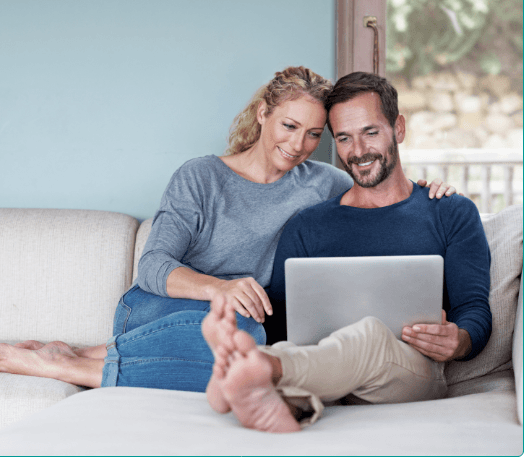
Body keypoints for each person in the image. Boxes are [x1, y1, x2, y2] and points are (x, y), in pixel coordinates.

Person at [0, 68, 456, 393]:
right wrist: (222, 289)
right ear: (263, 113)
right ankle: (77, 367)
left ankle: (83, 353)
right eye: (289, 125)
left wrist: (426, 190)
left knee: (262, 342)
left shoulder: (324, 184)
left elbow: (378, 192)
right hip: (155, 311)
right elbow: (153, 266)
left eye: (313, 134)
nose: (298, 145)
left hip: (246, 327)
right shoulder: (201, 177)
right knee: (248, 335)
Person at [203, 71, 492, 432]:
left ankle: (262, 368)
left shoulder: (449, 210)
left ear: (398, 129)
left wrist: (460, 340)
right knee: (321, 354)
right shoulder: (307, 225)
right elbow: (281, 322)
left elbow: (474, 309)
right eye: (344, 138)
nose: (358, 152)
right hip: (329, 369)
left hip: (411, 373)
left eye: (370, 132)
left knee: (368, 336)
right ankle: (283, 399)